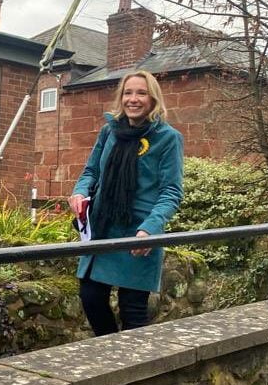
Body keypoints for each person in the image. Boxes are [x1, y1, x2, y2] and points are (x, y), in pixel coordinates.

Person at [68, 70, 184, 336]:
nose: (133, 99)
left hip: (138, 234)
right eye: (128, 93)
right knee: (91, 297)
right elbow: (91, 171)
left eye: (141, 93)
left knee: (133, 312)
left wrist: (149, 230)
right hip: (103, 229)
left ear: (153, 99)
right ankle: (110, 354)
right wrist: (79, 192)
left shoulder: (167, 138)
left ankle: (136, 372)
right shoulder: (109, 131)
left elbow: (171, 191)